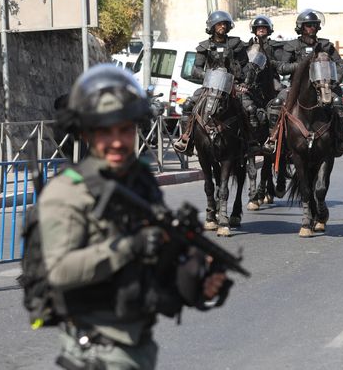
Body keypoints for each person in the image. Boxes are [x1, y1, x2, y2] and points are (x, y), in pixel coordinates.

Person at [40, 65, 231, 369]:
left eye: (125, 130)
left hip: (138, 345)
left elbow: (159, 267)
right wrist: (130, 246)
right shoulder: (67, 192)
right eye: (105, 131)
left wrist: (201, 282)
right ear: (87, 133)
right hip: (96, 351)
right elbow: (59, 272)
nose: (117, 141)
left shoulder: (139, 183)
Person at [265, 9, 343, 156]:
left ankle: (340, 138)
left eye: (314, 25)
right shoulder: (291, 46)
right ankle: (273, 137)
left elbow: (342, 64)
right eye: (308, 25)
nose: (311, 28)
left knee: (338, 102)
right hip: (297, 87)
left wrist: (335, 80)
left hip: (324, 86)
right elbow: (282, 67)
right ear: (301, 27)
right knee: (278, 102)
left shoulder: (325, 45)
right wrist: (302, 65)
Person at [174, 10, 248, 155]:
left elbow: (245, 66)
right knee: (188, 105)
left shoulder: (236, 44)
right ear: (212, 26)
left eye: (225, 24)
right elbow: (196, 69)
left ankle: (249, 142)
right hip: (209, 87)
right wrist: (209, 76)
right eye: (219, 24)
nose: (222, 27)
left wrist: (242, 82)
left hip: (232, 87)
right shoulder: (204, 47)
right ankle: (186, 139)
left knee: (248, 108)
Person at [241, 15, 283, 153]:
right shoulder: (246, 46)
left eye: (264, 28)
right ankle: (248, 139)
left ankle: (276, 137)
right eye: (258, 28)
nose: (261, 30)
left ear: (269, 30)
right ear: (254, 30)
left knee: (281, 100)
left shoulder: (274, 47)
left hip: (271, 78)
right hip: (251, 81)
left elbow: (281, 64)